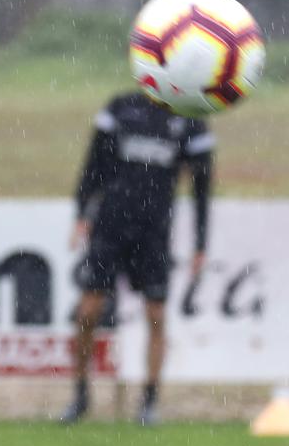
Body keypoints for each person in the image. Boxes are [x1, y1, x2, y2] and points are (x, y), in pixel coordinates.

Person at [61, 91, 214, 425]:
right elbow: (93, 164)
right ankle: (80, 396)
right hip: (109, 226)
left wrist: (201, 243)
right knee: (88, 312)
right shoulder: (120, 107)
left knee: (156, 314)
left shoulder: (190, 119)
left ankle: (149, 402)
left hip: (154, 232)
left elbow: (203, 186)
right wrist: (81, 213)